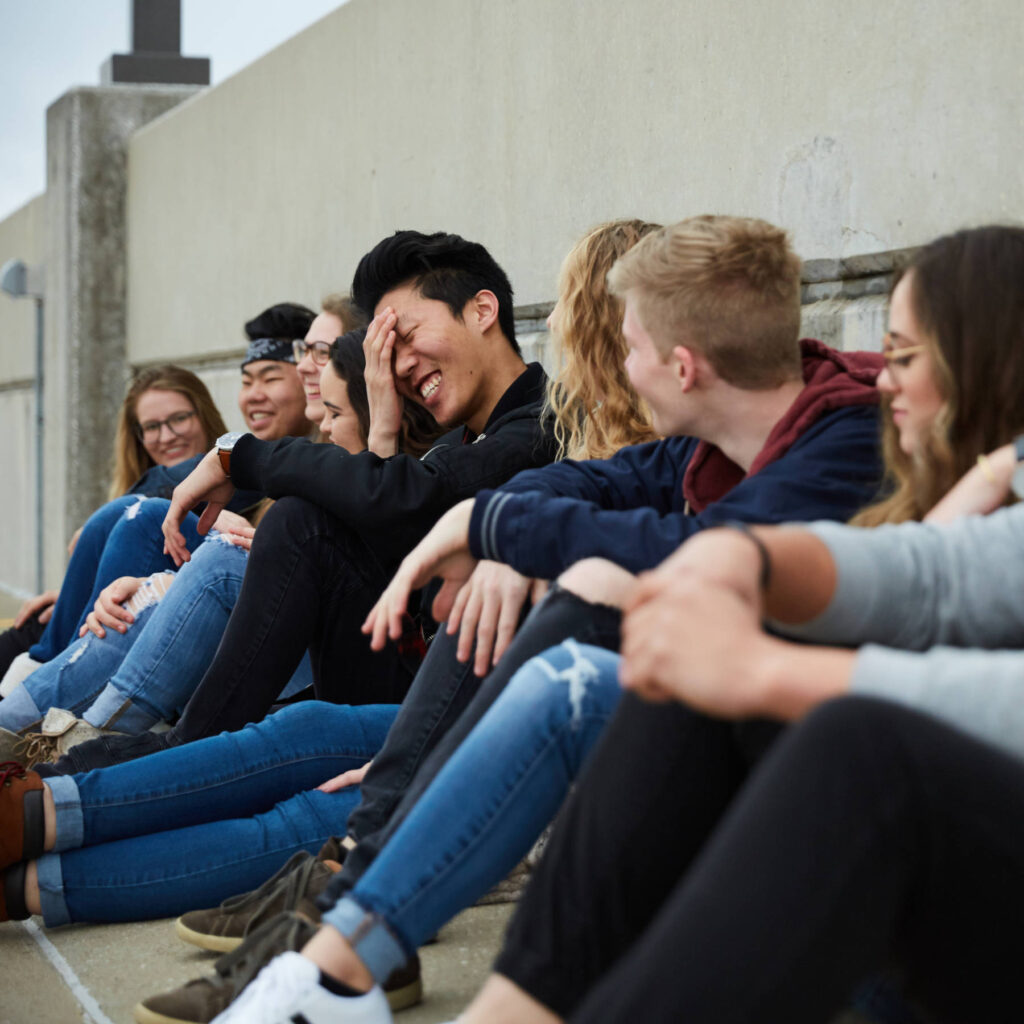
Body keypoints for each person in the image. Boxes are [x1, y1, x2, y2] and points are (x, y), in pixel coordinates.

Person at [154, 214, 887, 1022]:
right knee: (314, 736)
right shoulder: (717, 441)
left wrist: (496, 533)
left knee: (566, 632)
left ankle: (334, 922)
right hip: (678, 727)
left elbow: (715, 550)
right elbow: (595, 487)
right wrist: (500, 539)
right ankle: (326, 939)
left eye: (627, 347)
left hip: (810, 768)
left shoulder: (844, 441)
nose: (614, 368)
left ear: (682, 366)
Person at [359, 224, 1024, 1024]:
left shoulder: (842, 439)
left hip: (900, 895)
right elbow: (922, 573)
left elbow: (899, 620)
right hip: (825, 851)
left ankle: (353, 909)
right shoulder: (721, 451)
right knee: (625, 646)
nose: (885, 377)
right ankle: (360, 929)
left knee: (650, 657)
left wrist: (749, 654)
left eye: (905, 355)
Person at [47, 229, 559, 778]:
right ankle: (137, 735)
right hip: (396, 673)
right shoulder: (457, 438)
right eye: (387, 352)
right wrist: (380, 418)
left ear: (482, 310)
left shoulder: (538, 428)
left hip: (447, 720)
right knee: (246, 525)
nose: (402, 366)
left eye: (406, 336)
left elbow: (404, 498)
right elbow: (389, 511)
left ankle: (171, 747)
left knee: (291, 528)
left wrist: (237, 457)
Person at [0, 302, 320, 686]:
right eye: (247, 381)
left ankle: (40, 693)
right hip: (125, 628)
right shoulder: (252, 465)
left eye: (270, 379)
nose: (167, 435)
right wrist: (77, 591)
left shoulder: (292, 467)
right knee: (30, 627)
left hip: (223, 646)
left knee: (140, 514)